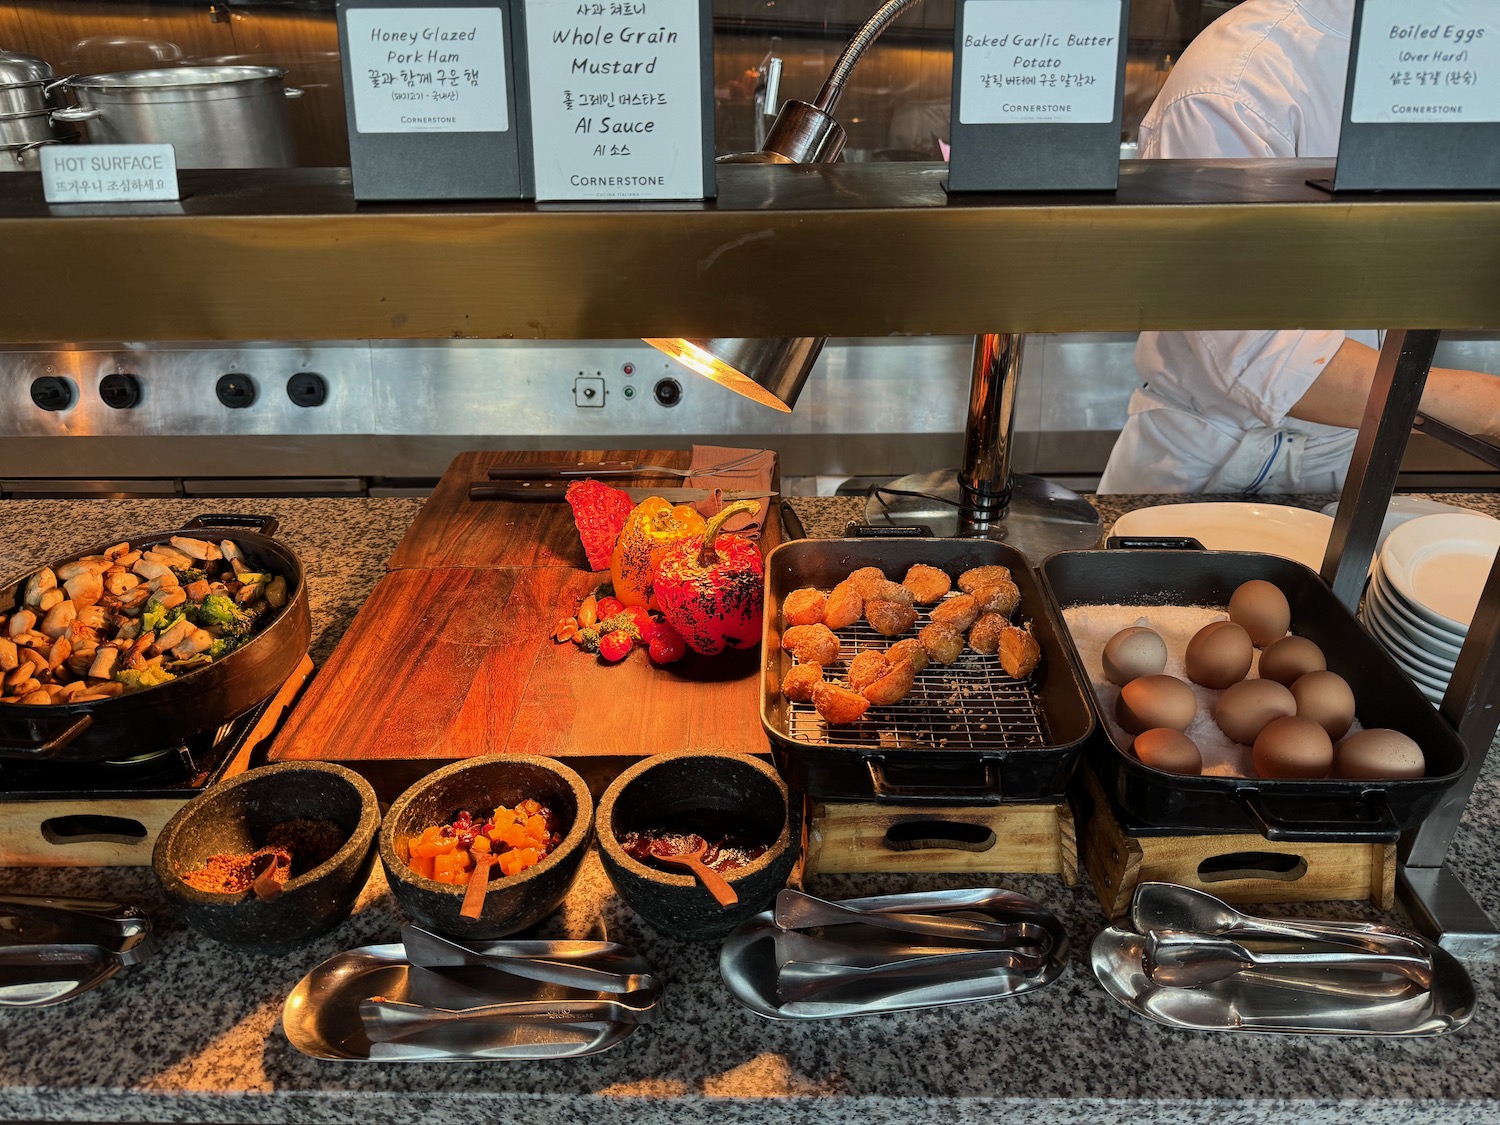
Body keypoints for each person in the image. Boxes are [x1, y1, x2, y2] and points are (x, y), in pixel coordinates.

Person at [1098, 0, 1500, 493]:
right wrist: (1481, 403)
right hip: (1216, 461)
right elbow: (1254, 350)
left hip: (1355, 449)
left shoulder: (1454, 53)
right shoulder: (1238, 77)